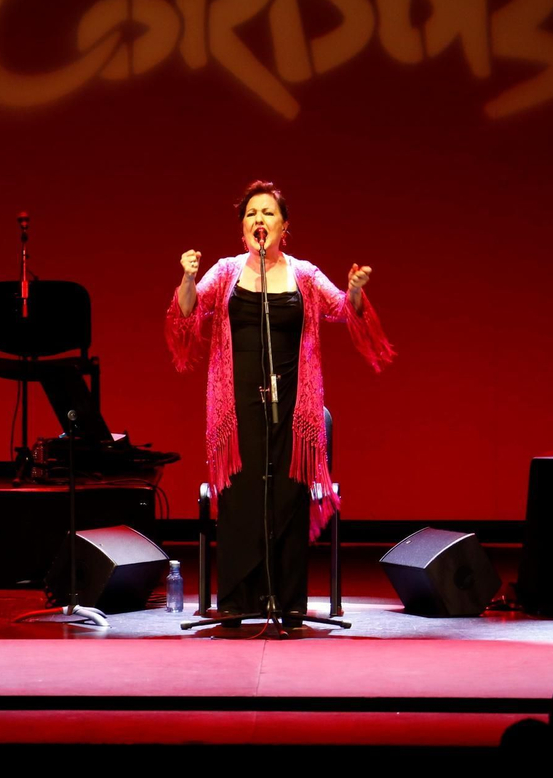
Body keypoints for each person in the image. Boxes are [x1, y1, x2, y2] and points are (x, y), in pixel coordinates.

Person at [167, 181, 394, 624]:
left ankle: (287, 602)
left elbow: (343, 310)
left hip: (293, 403)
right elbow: (188, 311)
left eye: (268, 213)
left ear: (284, 225)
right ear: (242, 227)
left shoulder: (304, 274)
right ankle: (235, 600)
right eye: (251, 213)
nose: (259, 220)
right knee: (240, 494)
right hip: (236, 406)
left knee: (288, 495)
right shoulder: (226, 270)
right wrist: (188, 278)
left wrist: (356, 290)